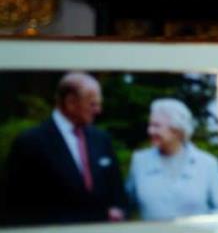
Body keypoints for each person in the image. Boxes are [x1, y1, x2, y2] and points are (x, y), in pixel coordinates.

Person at [4, 72, 126, 225]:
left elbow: (118, 193)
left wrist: (119, 210)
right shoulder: (30, 143)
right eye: (92, 104)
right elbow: (15, 207)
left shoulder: (101, 139)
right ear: (71, 102)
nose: (98, 110)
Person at [127, 98, 218, 220]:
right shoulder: (139, 161)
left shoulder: (208, 164)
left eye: (156, 126)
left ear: (177, 131)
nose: (150, 131)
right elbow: (126, 205)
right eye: (150, 125)